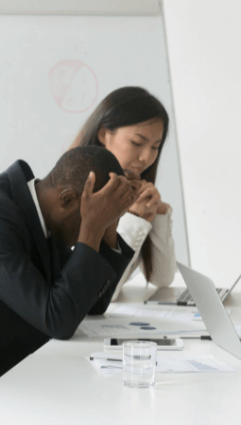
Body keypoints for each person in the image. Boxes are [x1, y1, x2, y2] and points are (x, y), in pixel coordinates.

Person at [0, 146, 136, 404]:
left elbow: (94, 304)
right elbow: (57, 320)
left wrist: (107, 226)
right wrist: (93, 225)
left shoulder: (44, 214)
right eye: (92, 218)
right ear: (67, 199)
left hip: (19, 367)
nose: (94, 224)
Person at [71, 87, 176, 300]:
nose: (146, 157)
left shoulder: (132, 190)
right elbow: (98, 295)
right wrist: (135, 219)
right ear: (103, 134)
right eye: (137, 143)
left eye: (155, 147)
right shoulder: (77, 194)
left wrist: (159, 215)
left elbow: (162, 279)